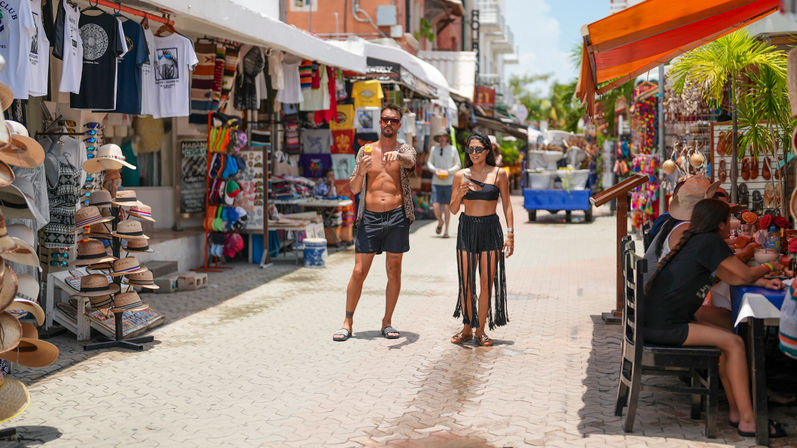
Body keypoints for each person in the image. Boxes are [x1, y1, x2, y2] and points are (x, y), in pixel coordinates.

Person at [644, 199, 787, 439]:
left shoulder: (697, 240)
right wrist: (772, 267)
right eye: (728, 221)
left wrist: (761, 281)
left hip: (660, 320)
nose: (731, 226)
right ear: (719, 224)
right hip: (666, 326)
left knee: (729, 338)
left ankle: (737, 412)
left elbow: (731, 276)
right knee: (734, 343)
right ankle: (749, 420)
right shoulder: (709, 242)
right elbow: (742, 273)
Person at [333, 104, 417, 342]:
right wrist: (360, 171)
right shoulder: (365, 150)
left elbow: (410, 161)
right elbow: (354, 188)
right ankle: (347, 321)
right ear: (380, 123)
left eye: (393, 120)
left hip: (396, 215)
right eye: (385, 120)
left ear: (399, 125)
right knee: (359, 271)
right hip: (369, 217)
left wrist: (398, 157)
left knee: (394, 269)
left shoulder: (404, 148)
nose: (389, 124)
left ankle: (387, 321)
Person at [448, 132, 515, 346]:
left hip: (490, 230)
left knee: (486, 283)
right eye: (471, 149)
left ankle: (481, 330)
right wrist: (459, 194)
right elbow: (453, 209)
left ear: (487, 150)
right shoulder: (460, 175)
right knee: (466, 282)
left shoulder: (499, 174)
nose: (474, 153)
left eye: (478, 149)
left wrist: (510, 233)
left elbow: (507, 205)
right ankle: (467, 327)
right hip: (467, 228)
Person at [426, 129, 461, 238]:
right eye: (440, 136)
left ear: (447, 138)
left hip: (449, 182)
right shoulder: (434, 149)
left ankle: (446, 231)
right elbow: (429, 163)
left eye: (444, 136)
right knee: (435, 205)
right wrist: (435, 170)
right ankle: (440, 222)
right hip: (436, 181)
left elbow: (458, 165)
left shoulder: (453, 149)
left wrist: (448, 171)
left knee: (446, 207)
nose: (442, 138)